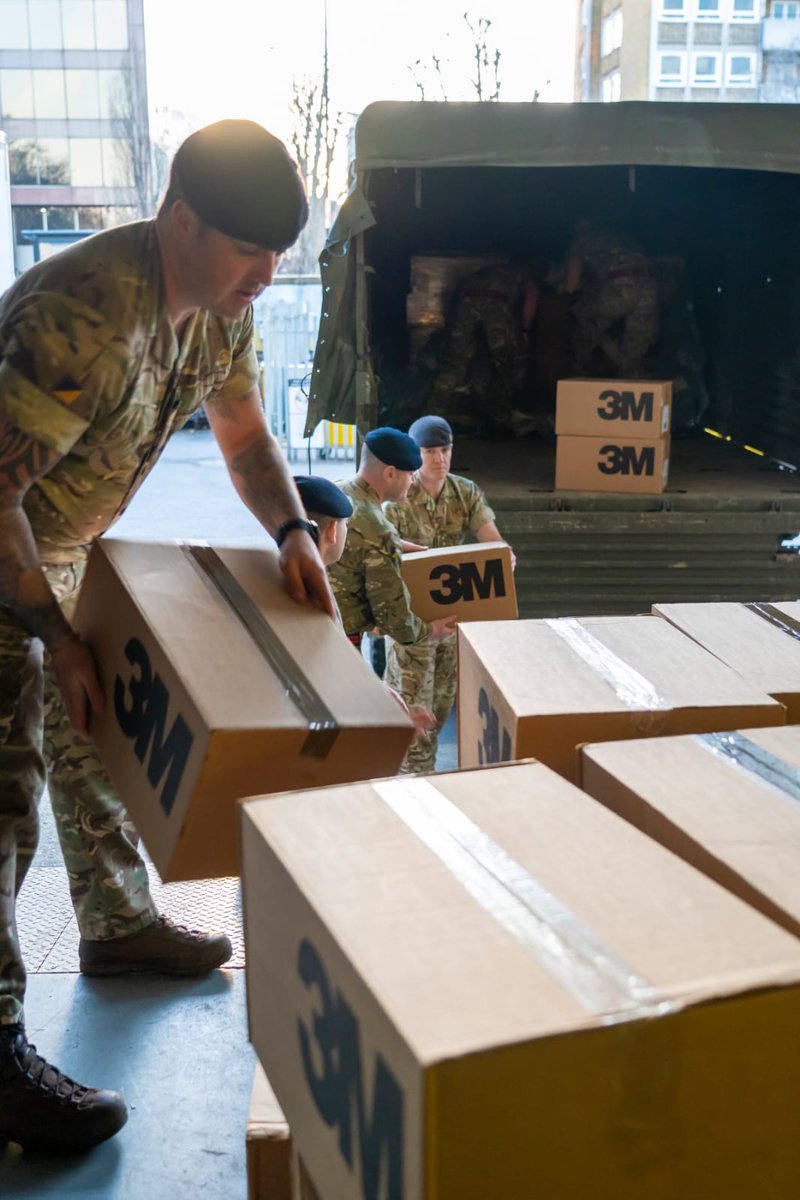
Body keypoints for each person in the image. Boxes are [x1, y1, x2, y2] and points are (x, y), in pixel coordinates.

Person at [0, 119, 335, 1153]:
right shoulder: (81, 316)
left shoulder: (216, 315)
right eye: (246, 250)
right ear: (180, 219)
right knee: (3, 792)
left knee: (97, 728)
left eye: (279, 255)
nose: (264, 277)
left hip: (58, 538)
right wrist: (52, 634)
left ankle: (113, 925)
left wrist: (287, 527)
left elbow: (242, 434)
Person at [384, 415, 512, 774]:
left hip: (451, 625)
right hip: (413, 628)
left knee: (439, 710)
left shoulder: (464, 492)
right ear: (415, 453)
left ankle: (420, 781)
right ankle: (412, 784)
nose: (439, 459)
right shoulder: (397, 499)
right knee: (412, 712)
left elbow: (493, 540)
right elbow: (381, 562)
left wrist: (503, 557)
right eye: (430, 451)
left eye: (446, 450)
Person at [293, 474, 435, 741]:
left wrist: (378, 691)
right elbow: (331, 680)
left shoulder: (280, 579)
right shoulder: (314, 599)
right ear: (334, 532)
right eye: (346, 525)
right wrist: (384, 713)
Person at [328, 428, 457, 655]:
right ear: (389, 474)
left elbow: (354, 549)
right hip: (339, 641)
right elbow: (393, 616)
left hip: (312, 626)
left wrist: (393, 544)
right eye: (409, 475)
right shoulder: (378, 530)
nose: (413, 482)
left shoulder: (336, 490)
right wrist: (429, 630)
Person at [427, 260, 539, 434]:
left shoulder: (489, 272)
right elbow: (531, 298)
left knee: (454, 365)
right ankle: (500, 421)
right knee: (505, 364)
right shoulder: (526, 274)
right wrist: (525, 329)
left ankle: (429, 419)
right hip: (496, 303)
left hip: (465, 301)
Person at [564, 218, 659, 379]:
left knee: (581, 316)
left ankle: (578, 375)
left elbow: (570, 287)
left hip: (621, 288)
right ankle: (630, 381)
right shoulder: (623, 236)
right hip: (649, 288)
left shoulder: (581, 240)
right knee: (635, 351)